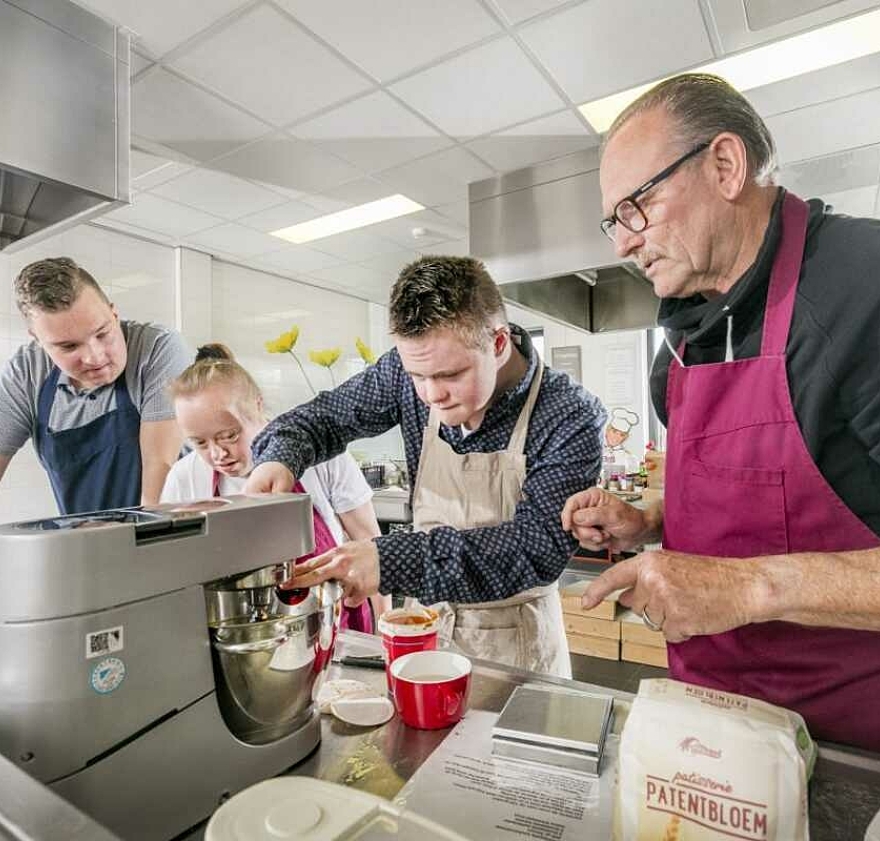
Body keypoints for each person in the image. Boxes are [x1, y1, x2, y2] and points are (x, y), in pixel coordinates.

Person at [561, 73, 880, 750]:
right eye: (611, 220)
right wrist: (647, 520)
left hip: (855, 749)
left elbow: (751, 562)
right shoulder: (679, 347)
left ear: (725, 166)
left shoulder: (863, 284)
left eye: (634, 208)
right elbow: (750, 507)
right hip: (710, 734)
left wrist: (751, 586)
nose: (621, 243)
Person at [244, 255, 607, 677]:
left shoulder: (567, 414)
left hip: (517, 643)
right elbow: (318, 419)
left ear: (498, 343)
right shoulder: (404, 373)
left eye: (451, 374)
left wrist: (389, 560)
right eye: (419, 375)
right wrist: (279, 458)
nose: (432, 394)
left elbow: (534, 547)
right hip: (424, 627)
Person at [160, 343, 388, 631]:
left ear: (257, 405)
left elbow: (371, 544)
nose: (218, 454)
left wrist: (386, 634)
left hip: (332, 621)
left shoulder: (320, 455)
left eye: (229, 436)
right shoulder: (185, 478)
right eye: (200, 443)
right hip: (240, 632)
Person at [0, 257, 190, 515]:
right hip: (87, 542)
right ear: (38, 340)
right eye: (69, 346)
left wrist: (145, 545)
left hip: (166, 529)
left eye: (102, 333)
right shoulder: (26, 373)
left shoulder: (156, 348)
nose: (95, 357)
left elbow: (160, 468)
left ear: (114, 313)